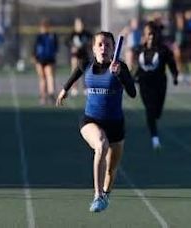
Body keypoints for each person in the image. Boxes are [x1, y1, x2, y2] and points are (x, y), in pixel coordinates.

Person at [56, 31, 136, 212]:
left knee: (111, 171)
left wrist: (120, 75)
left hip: (115, 125)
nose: (104, 48)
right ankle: (97, 195)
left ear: (113, 48)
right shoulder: (86, 64)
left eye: (108, 45)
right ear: (93, 48)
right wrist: (64, 89)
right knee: (101, 144)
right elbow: (76, 72)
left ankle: (105, 195)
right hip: (91, 120)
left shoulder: (120, 66)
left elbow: (132, 93)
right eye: (100, 44)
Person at [133, 21, 178, 151]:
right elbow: (136, 68)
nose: (151, 36)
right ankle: (155, 138)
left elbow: (172, 64)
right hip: (144, 84)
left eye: (153, 33)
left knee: (157, 112)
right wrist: (131, 78)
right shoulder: (139, 49)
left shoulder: (164, 50)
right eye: (149, 34)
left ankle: (154, 124)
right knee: (150, 110)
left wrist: (175, 76)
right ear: (145, 35)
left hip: (159, 84)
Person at [33, 18, 59, 105]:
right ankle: (45, 95)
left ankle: (47, 95)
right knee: (46, 77)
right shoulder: (45, 36)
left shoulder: (45, 36)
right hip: (44, 59)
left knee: (47, 77)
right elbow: (56, 48)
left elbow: (35, 49)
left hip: (46, 59)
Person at [66, 17, 92, 96]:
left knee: (85, 72)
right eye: (78, 24)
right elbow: (67, 42)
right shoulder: (72, 34)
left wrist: (89, 45)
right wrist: (73, 47)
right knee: (75, 72)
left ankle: (85, 88)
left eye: (81, 24)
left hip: (84, 55)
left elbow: (92, 40)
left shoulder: (86, 33)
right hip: (75, 56)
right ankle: (74, 88)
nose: (80, 26)